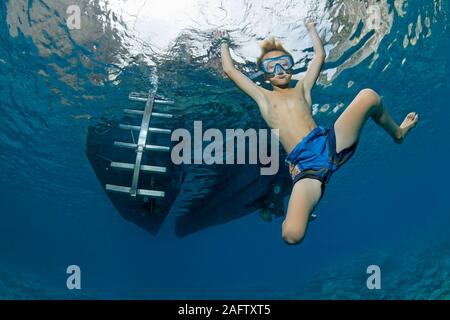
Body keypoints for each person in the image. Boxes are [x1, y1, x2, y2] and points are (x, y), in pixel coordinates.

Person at [214, 21, 419, 245]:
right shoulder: (263, 97)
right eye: (271, 66)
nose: (279, 70)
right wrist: (223, 41)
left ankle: (398, 133)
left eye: (284, 63)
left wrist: (311, 27)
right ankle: (297, 212)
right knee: (292, 235)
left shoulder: (302, 88)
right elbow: (230, 70)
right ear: (264, 75)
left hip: (331, 143)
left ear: (292, 66)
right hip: (305, 170)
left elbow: (319, 56)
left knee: (369, 96)